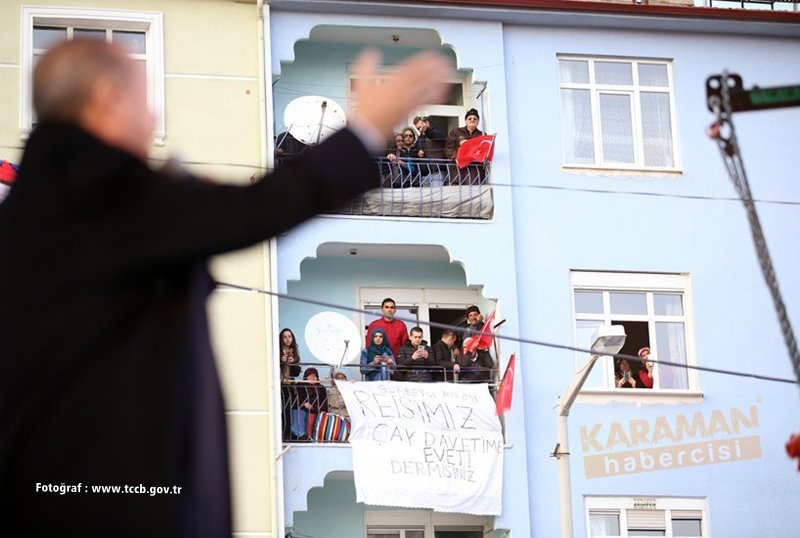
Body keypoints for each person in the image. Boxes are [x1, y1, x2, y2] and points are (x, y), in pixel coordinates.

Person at [0, 38, 450, 537]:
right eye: (144, 99)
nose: (153, 118)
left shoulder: (28, 212)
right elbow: (258, 208)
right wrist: (365, 131)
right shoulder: (96, 189)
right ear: (107, 98)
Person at [444, 108, 485, 185]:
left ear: (478, 122)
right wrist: (457, 157)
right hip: (456, 173)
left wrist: (470, 146)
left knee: (473, 191)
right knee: (455, 191)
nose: (472, 120)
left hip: (474, 175)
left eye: (475, 119)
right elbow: (448, 149)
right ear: (465, 121)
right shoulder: (455, 132)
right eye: (469, 118)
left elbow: (484, 153)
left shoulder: (482, 135)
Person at [459, 305, 494, 383]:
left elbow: (490, 364)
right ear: (468, 318)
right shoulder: (467, 330)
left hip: (482, 372)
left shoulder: (484, 327)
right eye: (470, 315)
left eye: (475, 314)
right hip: (469, 375)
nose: (473, 317)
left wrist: (479, 323)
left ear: (479, 315)